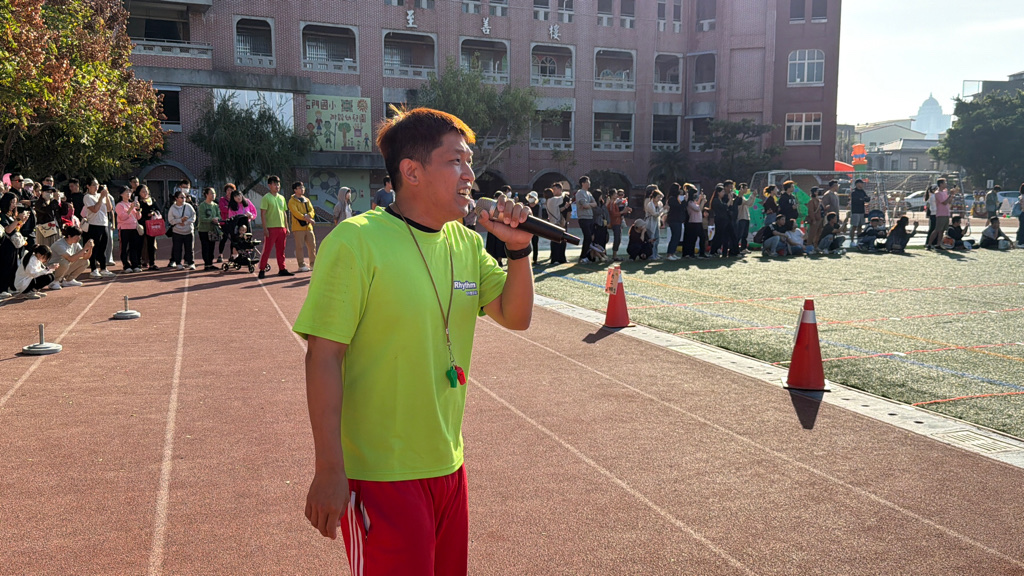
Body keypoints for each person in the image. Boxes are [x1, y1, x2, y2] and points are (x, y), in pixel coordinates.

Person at [294, 107, 534, 575]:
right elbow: (323, 357)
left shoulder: (465, 244)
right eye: (455, 161)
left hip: (448, 465)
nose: (470, 175)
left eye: (469, 162)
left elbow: (516, 316)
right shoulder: (356, 241)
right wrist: (329, 468)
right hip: (380, 474)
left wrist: (519, 249)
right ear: (412, 171)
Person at [258, 175, 293, 279]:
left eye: (278, 184)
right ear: (269, 185)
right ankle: (262, 269)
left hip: (282, 228)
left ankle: (282, 269)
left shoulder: (281, 198)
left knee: (281, 250)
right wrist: (265, 228)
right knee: (267, 250)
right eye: (274, 184)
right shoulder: (266, 198)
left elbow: (284, 213)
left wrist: (287, 227)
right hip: (271, 228)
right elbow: (263, 214)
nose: (277, 186)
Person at [82, 179, 115, 278]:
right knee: (94, 248)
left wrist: (106, 195)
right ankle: (93, 269)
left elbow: (109, 209)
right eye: (93, 185)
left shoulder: (101, 195)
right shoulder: (87, 197)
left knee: (103, 247)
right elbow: (95, 209)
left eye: (97, 185)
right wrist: (101, 197)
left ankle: (103, 268)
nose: (96, 187)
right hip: (94, 224)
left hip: (104, 224)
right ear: (88, 186)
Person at [1, 192, 29, 298]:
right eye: (12, 202)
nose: (14, 205)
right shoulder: (2, 215)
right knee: (6, 266)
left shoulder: (11, 215)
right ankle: (2, 289)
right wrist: (18, 219)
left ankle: (11, 287)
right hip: (5, 244)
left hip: (13, 244)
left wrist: (22, 221)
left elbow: (15, 229)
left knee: (13, 266)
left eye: (15, 202)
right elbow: (8, 230)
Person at [289, 181, 318, 272]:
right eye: (300, 188)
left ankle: (313, 264)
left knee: (312, 246)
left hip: (308, 227)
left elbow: (312, 210)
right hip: (298, 228)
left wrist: (309, 216)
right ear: (295, 190)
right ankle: (301, 265)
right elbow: (296, 213)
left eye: (303, 187)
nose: (302, 189)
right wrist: (307, 218)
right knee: (300, 247)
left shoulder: (306, 200)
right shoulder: (292, 201)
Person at [114, 185, 143, 272]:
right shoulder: (119, 205)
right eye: (126, 192)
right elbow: (123, 217)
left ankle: (135, 264)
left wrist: (138, 209)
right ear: (121, 194)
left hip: (133, 228)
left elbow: (138, 217)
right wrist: (130, 208)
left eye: (129, 192)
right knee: (124, 247)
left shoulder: (132, 204)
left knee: (133, 247)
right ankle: (126, 265)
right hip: (124, 229)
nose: (128, 194)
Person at [167, 190, 196, 270]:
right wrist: (180, 221)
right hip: (177, 232)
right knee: (177, 248)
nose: (184, 199)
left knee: (189, 248)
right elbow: (171, 220)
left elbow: (193, 216)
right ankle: (178, 263)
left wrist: (185, 222)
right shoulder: (172, 208)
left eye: (184, 197)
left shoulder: (188, 206)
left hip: (188, 231)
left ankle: (190, 263)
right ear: (176, 198)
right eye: (181, 197)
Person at [135, 184, 161, 270]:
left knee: (151, 244)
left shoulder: (152, 200)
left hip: (151, 224)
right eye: (143, 191)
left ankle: (152, 263)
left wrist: (153, 213)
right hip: (141, 224)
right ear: (139, 193)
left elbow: (158, 209)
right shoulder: (137, 201)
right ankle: (138, 263)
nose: (145, 193)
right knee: (140, 244)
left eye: (146, 191)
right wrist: (146, 214)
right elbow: (137, 213)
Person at [574, 176, 597, 263]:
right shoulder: (580, 193)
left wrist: (588, 204)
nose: (589, 183)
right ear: (583, 183)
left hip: (590, 217)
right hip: (583, 218)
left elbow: (595, 204)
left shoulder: (589, 193)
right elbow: (585, 205)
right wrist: (588, 205)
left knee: (590, 238)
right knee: (587, 237)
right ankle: (582, 257)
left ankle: (587, 256)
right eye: (587, 181)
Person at [197, 187, 221, 271]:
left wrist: (217, 219)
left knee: (212, 247)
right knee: (205, 247)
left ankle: (210, 263)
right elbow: (202, 218)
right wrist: (211, 219)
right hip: (204, 230)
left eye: (214, 193)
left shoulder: (215, 205)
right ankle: (206, 264)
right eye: (211, 193)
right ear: (206, 195)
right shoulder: (202, 205)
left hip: (213, 230)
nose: (213, 195)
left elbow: (218, 215)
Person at [926, 178, 953, 251]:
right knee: (937, 229)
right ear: (941, 184)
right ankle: (929, 244)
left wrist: (952, 195)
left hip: (946, 213)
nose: (946, 184)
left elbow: (949, 201)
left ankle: (938, 244)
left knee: (942, 230)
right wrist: (950, 195)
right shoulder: (937, 193)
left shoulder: (944, 191)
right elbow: (944, 202)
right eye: (944, 183)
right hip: (941, 214)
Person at [544, 185, 567, 264]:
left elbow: (557, 210)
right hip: (556, 223)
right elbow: (561, 198)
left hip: (552, 222)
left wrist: (565, 207)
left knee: (555, 241)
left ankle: (556, 258)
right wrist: (564, 193)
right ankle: (555, 259)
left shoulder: (548, 201)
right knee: (557, 242)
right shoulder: (552, 200)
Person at [664, 182, 686, 260]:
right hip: (674, 220)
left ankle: (672, 253)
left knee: (677, 237)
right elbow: (679, 207)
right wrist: (684, 201)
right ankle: (669, 254)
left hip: (677, 219)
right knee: (675, 236)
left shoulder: (676, 198)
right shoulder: (672, 199)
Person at [607, 188, 631, 261]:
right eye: (615, 194)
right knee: (617, 238)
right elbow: (613, 214)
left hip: (617, 221)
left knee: (618, 238)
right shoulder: (611, 203)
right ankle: (614, 255)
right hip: (615, 222)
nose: (617, 195)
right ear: (612, 195)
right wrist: (622, 211)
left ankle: (614, 254)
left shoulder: (614, 203)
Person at [682, 185, 704, 259]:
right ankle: (691, 253)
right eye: (695, 194)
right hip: (693, 222)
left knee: (702, 237)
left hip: (698, 222)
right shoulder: (690, 202)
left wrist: (700, 199)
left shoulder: (693, 202)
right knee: (693, 239)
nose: (696, 196)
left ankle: (702, 253)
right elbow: (698, 209)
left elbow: (698, 206)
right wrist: (702, 201)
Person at [643, 186, 664, 259]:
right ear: (654, 198)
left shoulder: (659, 203)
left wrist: (663, 210)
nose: (659, 199)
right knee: (652, 238)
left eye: (659, 197)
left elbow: (661, 213)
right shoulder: (650, 204)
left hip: (657, 222)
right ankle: (651, 255)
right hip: (650, 223)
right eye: (658, 197)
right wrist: (663, 210)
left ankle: (656, 254)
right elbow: (655, 214)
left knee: (657, 238)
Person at [217, 183, 236, 263]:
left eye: (231, 190)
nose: (230, 192)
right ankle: (220, 254)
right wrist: (230, 209)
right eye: (228, 190)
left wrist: (228, 208)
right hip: (224, 222)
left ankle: (232, 255)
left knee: (233, 239)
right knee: (223, 239)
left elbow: (236, 209)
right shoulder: (222, 199)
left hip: (233, 222)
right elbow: (222, 209)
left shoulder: (235, 199)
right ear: (225, 191)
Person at [735, 182, 756, 253]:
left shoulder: (743, 197)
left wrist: (753, 196)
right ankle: (735, 248)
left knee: (745, 234)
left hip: (746, 217)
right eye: (745, 188)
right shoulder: (739, 197)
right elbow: (747, 203)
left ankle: (743, 248)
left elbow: (749, 204)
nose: (747, 189)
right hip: (741, 217)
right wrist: (752, 196)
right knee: (739, 234)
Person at [805, 187, 823, 252]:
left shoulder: (818, 201)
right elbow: (811, 211)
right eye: (817, 191)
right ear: (814, 192)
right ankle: (809, 246)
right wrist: (813, 219)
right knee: (812, 233)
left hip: (819, 219)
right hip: (815, 220)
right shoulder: (811, 201)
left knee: (818, 233)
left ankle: (815, 246)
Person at [526, 190, 541, 264]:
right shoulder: (526, 206)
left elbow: (540, 217)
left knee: (535, 243)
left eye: (532, 197)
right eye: (530, 196)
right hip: (527, 227)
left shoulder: (538, 206)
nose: (530, 198)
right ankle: (526, 259)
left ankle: (535, 259)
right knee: (525, 243)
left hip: (535, 227)